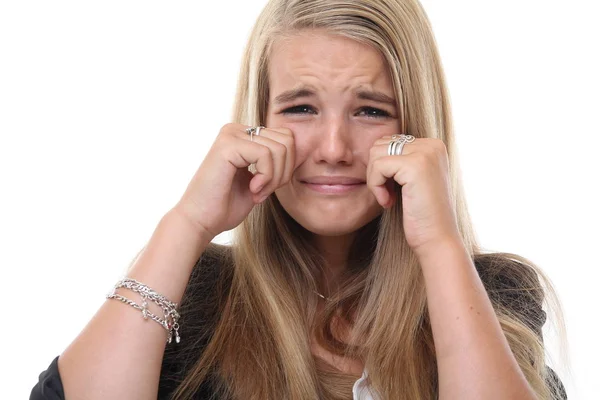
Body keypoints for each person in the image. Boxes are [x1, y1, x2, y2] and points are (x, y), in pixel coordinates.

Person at [30, 0, 568, 399]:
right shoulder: (195, 297)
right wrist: (188, 222)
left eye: (371, 110)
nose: (333, 150)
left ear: (417, 130)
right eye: (301, 109)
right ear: (258, 122)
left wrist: (438, 243)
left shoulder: (492, 291)